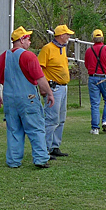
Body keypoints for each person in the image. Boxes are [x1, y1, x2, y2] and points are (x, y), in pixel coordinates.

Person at [0, 27, 55, 169]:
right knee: (36, 128)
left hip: (9, 99)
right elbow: (40, 79)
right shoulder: (29, 56)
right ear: (21, 40)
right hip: (28, 98)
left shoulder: (3, 57)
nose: (29, 41)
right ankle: (40, 158)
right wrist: (49, 93)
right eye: (27, 39)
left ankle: (14, 161)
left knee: (14, 130)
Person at [38, 24, 74, 157]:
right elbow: (39, 68)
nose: (69, 37)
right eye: (67, 35)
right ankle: (45, 148)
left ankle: (55, 146)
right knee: (51, 119)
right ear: (61, 36)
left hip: (63, 87)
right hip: (53, 88)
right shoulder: (47, 49)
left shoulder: (62, 49)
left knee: (61, 118)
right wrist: (44, 87)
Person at [84, 28, 106, 135]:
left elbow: (86, 65)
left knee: (95, 103)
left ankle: (95, 128)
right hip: (105, 78)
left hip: (93, 78)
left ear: (93, 38)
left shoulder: (89, 50)